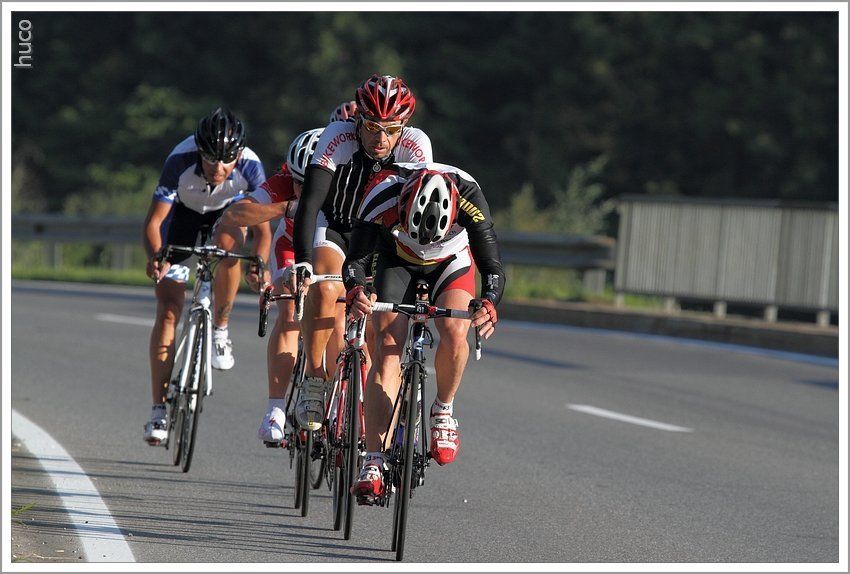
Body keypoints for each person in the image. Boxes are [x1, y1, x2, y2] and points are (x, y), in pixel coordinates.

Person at [342, 164, 504, 501]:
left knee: (455, 329)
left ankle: (443, 410)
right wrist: (357, 289)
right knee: (387, 346)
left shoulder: (470, 196)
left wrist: (488, 302)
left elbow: (492, 267)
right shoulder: (382, 192)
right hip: (395, 257)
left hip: (451, 260)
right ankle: (373, 459)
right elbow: (355, 260)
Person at [290, 74, 433, 432]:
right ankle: (314, 379)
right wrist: (303, 261)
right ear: (358, 120)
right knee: (326, 288)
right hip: (338, 224)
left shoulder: (416, 145)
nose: (381, 139)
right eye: (372, 127)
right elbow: (310, 204)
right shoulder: (337, 136)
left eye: (391, 129)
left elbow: (423, 210)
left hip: (385, 236)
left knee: (385, 325)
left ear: (405, 126)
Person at [142, 107, 270, 445]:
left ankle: (221, 330)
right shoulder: (180, 159)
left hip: (224, 217)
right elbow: (154, 223)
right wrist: (156, 258)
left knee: (230, 247)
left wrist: (259, 263)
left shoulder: (251, 166)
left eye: (226, 160)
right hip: (181, 220)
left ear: (238, 155)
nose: (218, 168)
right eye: (211, 158)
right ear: (199, 151)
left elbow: (263, 230)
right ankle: (158, 409)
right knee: (169, 310)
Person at [218, 128, 324, 445]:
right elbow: (235, 214)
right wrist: (284, 207)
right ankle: (275, 410)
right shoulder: (284, 183)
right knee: (290, 312)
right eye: (300, 184)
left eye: (315, 185)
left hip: (333, 252)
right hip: (290, 246)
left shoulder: (352, 187)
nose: (307, 193)